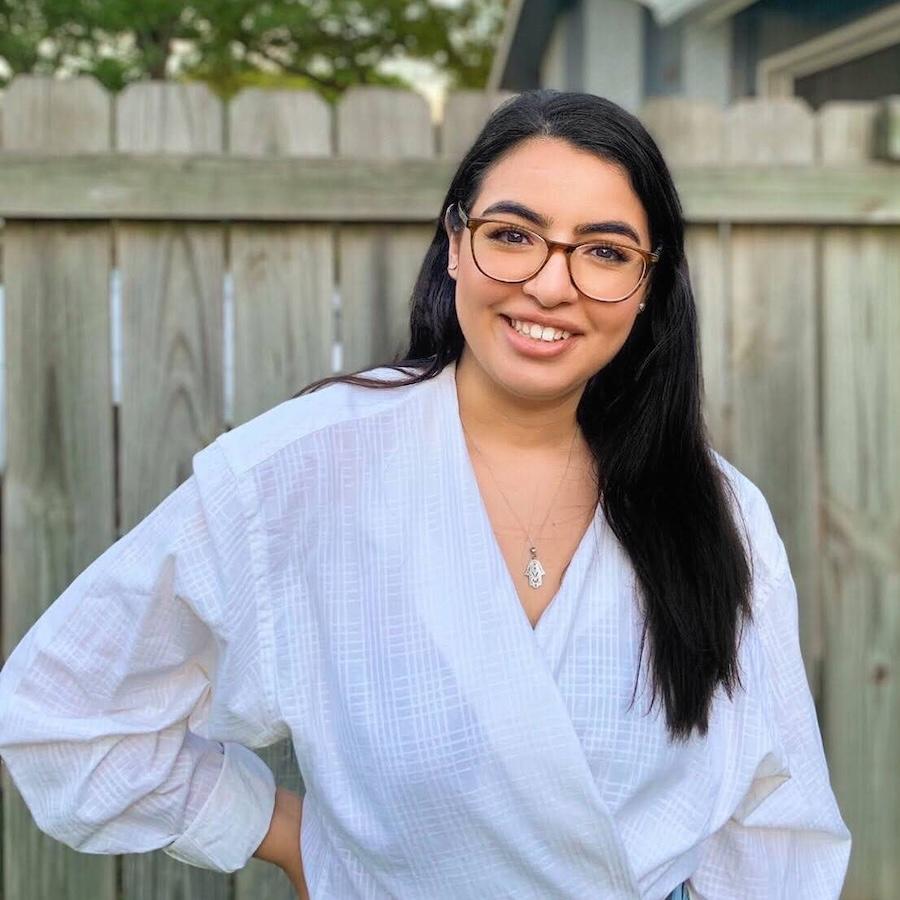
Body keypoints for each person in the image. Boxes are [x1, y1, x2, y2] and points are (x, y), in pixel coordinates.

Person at [0, 89, 850, 899]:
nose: (552, 285)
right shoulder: (302, 474)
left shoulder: (720, 516)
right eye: (513, 234)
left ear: (649, 285)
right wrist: (278, 830)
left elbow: (774, 822)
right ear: (454, 244)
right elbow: (63, 711)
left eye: (603, 252)